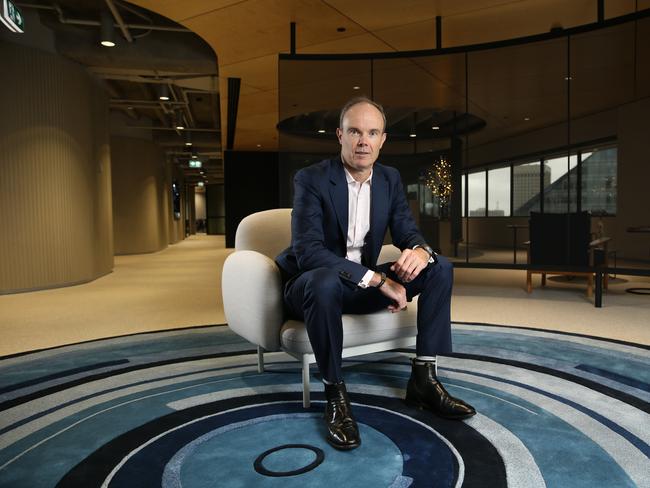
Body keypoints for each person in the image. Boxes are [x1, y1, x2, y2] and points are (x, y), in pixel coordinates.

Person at [275, 97, 475, 451]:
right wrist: (381, 280)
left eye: (372, 132)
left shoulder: (389, 178)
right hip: (311, 288)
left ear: (383, 139)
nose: (362, 141)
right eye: (354, 131)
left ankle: (424, 379)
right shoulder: (311, 179)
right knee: (323, 280)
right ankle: (335, 394)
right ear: (340, 135)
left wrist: (418, 251)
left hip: (357, 285)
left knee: (439, 266)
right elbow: (309, 253)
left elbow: (406, 229)